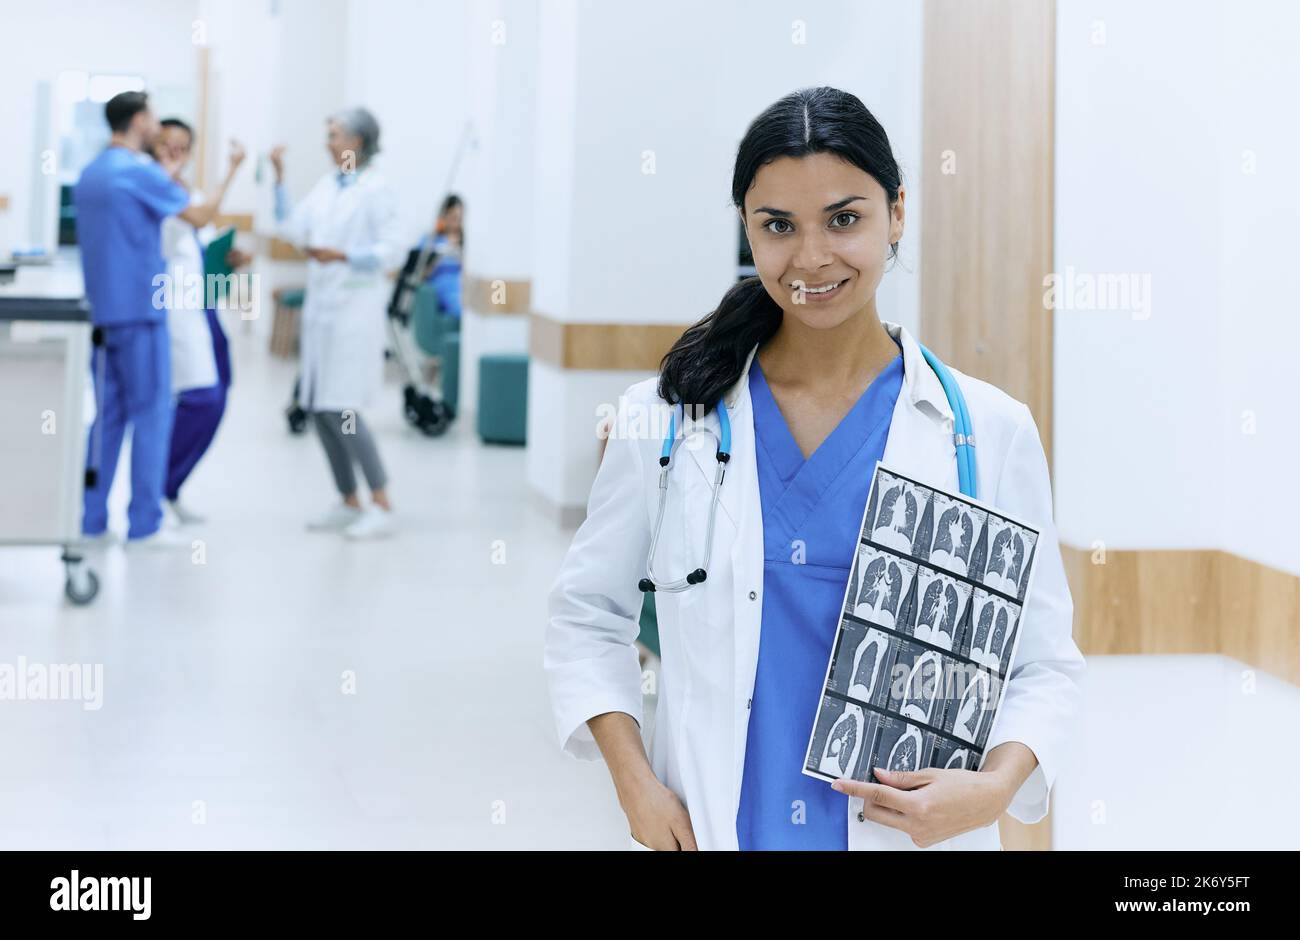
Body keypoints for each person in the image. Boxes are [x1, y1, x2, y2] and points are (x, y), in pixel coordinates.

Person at [544, 87, 1085, 851]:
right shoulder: (665, 420)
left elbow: (1044, 664)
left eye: (845, 218)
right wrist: (634, 783)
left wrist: (995, 790)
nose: (812, 257)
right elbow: (586, 618)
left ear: (897, 213)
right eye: (778, 226)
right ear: (747, 231)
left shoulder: (987, 432)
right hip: (718, 825)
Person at [74, 91, 236, 549]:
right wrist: (233, 172)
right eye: (152, 117)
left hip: (102, 315)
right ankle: (144, 523)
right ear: (139, 120)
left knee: (106, 418)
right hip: (142, 314)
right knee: (151, 415)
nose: (157, 126)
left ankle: (90, 517)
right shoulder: (137, 173)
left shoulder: (91, 174)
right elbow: (201, 214)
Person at [271, 107, 401, 540]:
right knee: (320, 407)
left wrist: (344, 256)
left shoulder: (377, 190)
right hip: (324, 311)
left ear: (357, 142)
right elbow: (294, 228)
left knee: (343, 408)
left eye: (335, 135)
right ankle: (348, 500)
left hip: (354, 312)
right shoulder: (329, 187)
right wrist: (278, 177)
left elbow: (392, 250)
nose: (328, 143)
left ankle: (381, 501)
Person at [152, 118, 249, 525]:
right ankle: (157, 489)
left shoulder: (182, 189)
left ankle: (169, 488)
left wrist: (227, 259)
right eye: (166, 146)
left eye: (183, 147)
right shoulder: (154, 185)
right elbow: (200, 216)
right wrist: (232, 170)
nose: (175, 154)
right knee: (201, 399)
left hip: (201, 304)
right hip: (174, 308)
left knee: (220, 390)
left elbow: (197, 236)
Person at [415, 194, 463, 318]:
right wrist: (438, 254)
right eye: (452, 217)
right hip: (443, 284)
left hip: (464, 283)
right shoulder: (430, 241)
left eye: (459, 218)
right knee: (460, 306)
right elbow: (419, 274)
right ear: (443, 216)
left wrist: (459, 251)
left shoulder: (465, 243)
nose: (456, 223)